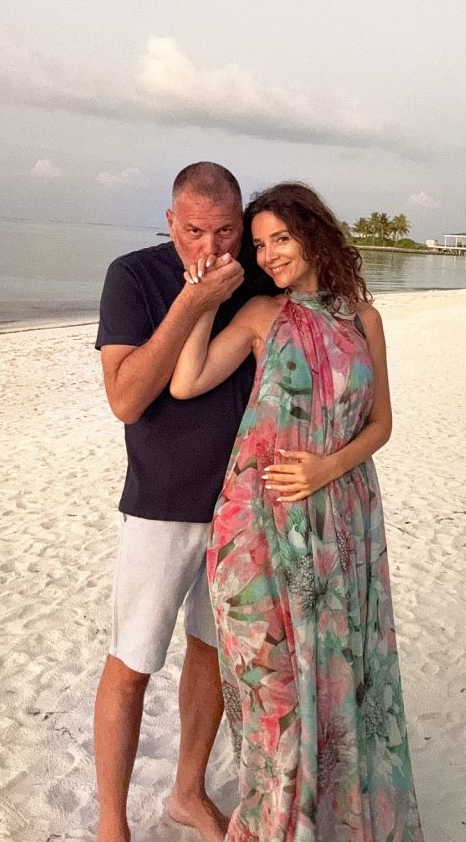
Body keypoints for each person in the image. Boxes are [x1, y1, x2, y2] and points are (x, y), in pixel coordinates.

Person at [170, 183, 424, 842]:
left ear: (313, 234)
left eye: (280, 238)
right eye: (259, 245)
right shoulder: (261, 313)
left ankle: (326, 820)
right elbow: (186, 381)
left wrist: (326, 468)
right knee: (272, 689)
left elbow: (381, 424)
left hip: (341, 517)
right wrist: (202, 302)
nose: (269, 254)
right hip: (257, 522)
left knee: (337, 675)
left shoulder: (363, 319)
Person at [93, 162, 255, 842]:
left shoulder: (260, 273)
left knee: (211, 654)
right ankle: (111, 824)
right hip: (161, 503)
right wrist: (192, 301)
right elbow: (126, 399)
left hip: (243, 508)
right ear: (170, 223)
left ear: (242, 224)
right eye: (194, 232)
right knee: (132, 663)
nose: (211, 249)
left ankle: (187, 792)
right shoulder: (134, 276)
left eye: (225, 232)